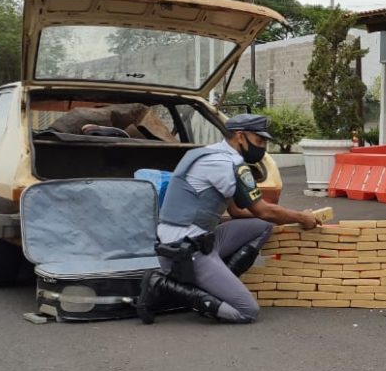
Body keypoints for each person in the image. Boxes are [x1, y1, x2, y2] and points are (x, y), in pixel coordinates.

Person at [136, 113, 321, 325]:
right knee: (246, 310)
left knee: (262, 226)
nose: (262, 147)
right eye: (259, 141)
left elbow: (238, 212)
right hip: (185, 250)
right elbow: (263, 210)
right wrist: (302, 218)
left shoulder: (208, 153)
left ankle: (217, 283)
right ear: (241, 137)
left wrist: (286, 217)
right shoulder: (226, 164)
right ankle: (160, 283)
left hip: (191, 240)